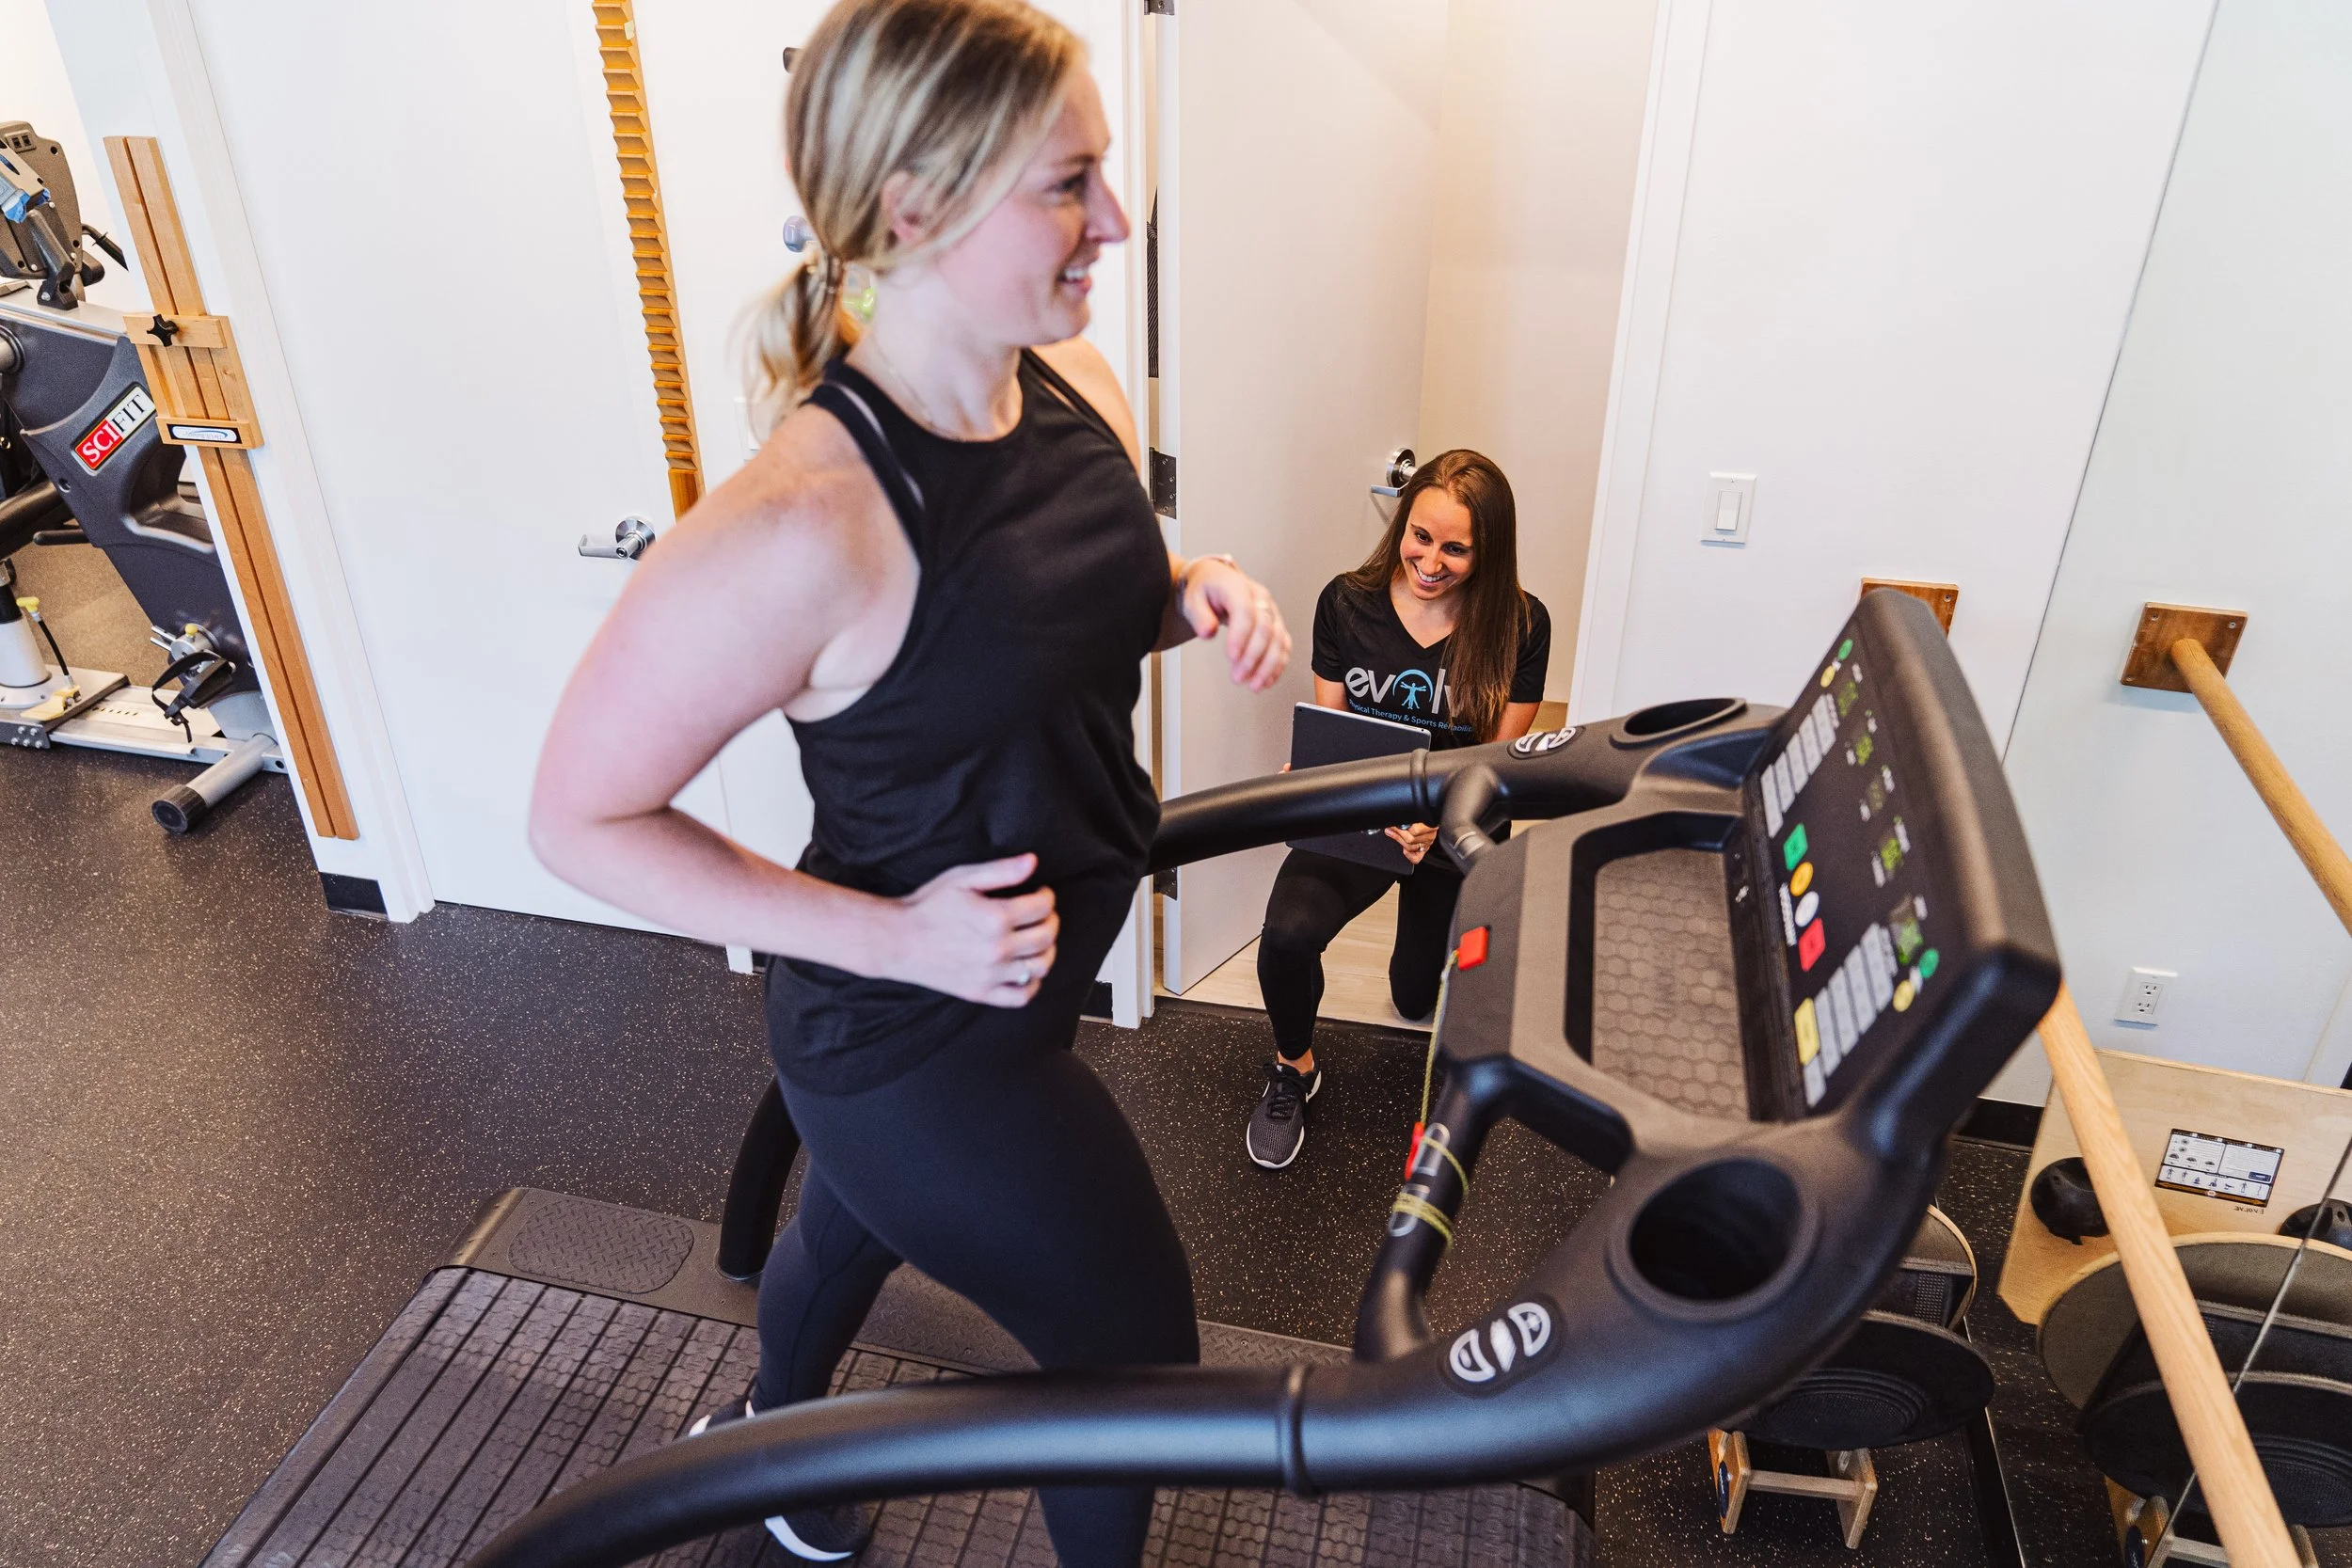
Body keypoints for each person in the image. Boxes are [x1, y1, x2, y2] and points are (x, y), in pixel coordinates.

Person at [529, 3, 1292, 1561]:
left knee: (849, 1227)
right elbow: (574, 817)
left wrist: (1191, 586)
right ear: (915, 209)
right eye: (1069, 184)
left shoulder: (1069, 381)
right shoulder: (801, 519)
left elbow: (1047, 623)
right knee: (1137, 1354)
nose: (1119, 222)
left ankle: (780, 1455)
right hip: (909, 1041)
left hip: (1026, 980)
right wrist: (891, 936)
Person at [1244, 450, 1549, 1171]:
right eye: (1421, 536)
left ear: (1488, 550)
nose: (1431, 561)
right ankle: (1295, 1067)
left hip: (1456, 827)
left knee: (1414, 1000)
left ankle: (1424, 951)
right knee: (1286, 937)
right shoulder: (1345, 602)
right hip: (1364, 813)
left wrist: (1437, 823)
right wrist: (1319, 776)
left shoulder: (1520, 625)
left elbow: (1499, 765)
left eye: (1455, 548)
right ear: (1402, 525)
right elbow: (1336, 735)